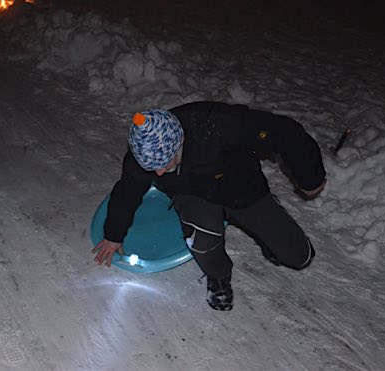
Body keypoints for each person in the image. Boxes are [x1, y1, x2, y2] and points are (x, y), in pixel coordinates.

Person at [92, 101, 327, 311]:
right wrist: (114, 234)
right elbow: (127, 193)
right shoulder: (142, 157)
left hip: (241, 187)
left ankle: (261, 227)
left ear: (180, 140)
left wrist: (311, 179)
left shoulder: (217, 124)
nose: (160, 172)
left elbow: (285, 132)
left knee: (299, 257)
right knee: (202, 238)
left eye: (165, 162)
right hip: (192, 194)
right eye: (152, 167)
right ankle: (219, 277)